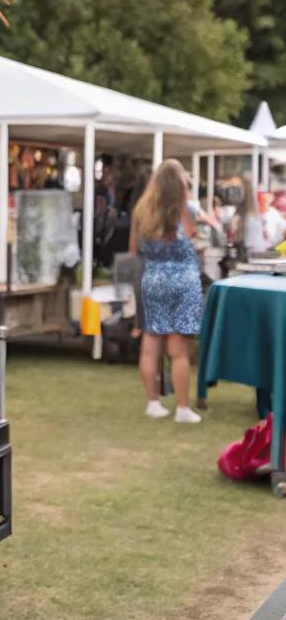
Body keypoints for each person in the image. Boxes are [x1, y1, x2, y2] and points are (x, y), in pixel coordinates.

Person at [129, 159, 203, 424]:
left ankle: (153, 403)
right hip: (182, 281)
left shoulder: (142, 210)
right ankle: (183, 408)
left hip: (153, 279)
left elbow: (133, 251)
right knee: (178, 349)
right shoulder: (185, 209)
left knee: (150, 344)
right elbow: (192, 236)